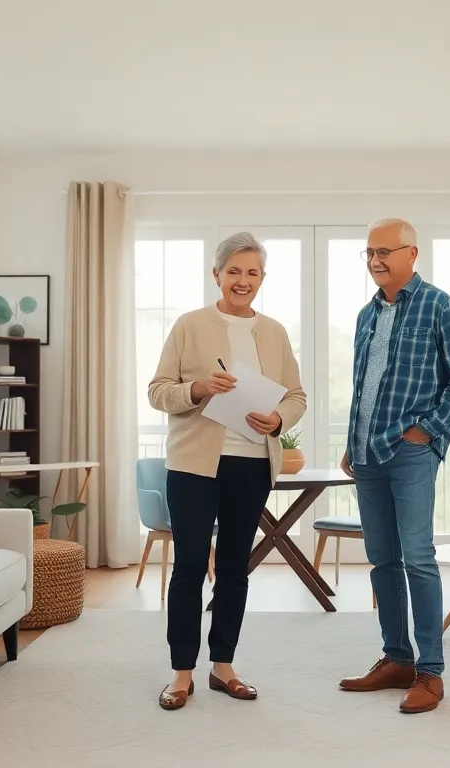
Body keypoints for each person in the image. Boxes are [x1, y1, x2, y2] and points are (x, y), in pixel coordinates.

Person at [147, 232, 307, 711]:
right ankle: (180, 674)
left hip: (252, 462)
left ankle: (223, 667)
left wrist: (279, 419)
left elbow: (296, 396)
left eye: (252, 272)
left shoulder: (274, 332)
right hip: (194, 464)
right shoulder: (190, 325)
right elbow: (158, 391)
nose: (243, 280)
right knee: (191, 566)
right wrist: (196, 389)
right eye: (233, 271)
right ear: (216, 274)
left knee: (235, 570)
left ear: (262, 278)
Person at [337, 218, 450, 714]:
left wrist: (428, 428)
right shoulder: (365, 316)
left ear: (411, 253)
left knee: (418, 557)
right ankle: (396, 658)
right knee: (382, 559)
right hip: (367, 452)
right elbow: (363, 387)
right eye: (369, 253)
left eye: (385, 251)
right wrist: (351, 440)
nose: (376, 260)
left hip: (412, 451)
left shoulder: (439, 305)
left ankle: (431, 672)